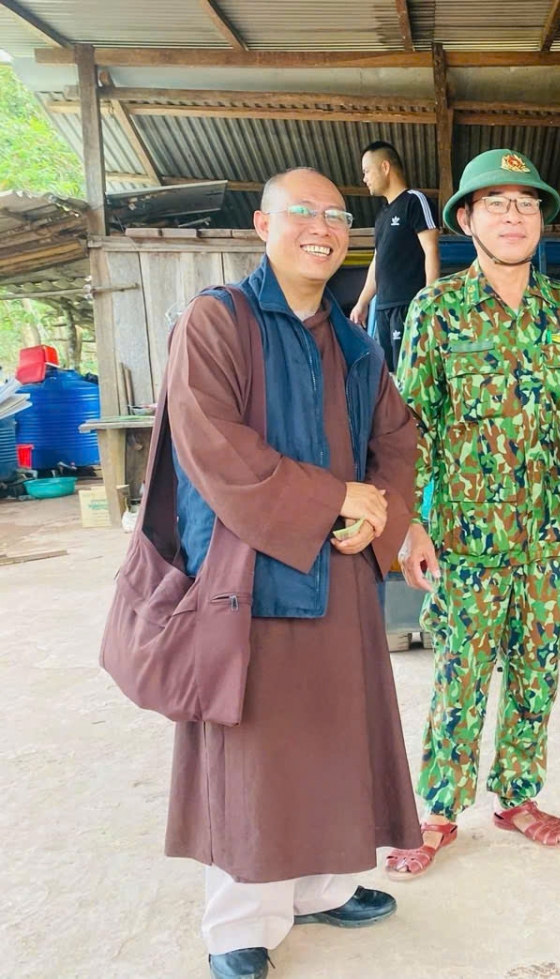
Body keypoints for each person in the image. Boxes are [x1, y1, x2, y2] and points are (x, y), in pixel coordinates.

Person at [162, 167, 423, 979]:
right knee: (254, 753)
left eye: (336, 215)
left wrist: (379, 512)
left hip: (338, 573)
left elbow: (398, 438)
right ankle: (240, 923)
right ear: (262, 224)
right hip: (248, 575)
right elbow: (214, 445)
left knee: (334, 734)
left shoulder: (355, 343)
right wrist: (333, 497)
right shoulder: (219, 320)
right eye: (302, 211)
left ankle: (321, 886)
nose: (321, 226)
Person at [387, 149, 560, 879]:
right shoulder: (436, 310)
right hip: (467, 536)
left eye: (526, 203)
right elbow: (408, 428)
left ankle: (518, 797)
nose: (514, 216)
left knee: (538, 670)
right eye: (497, 204)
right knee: (460, 674)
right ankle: (439, 811)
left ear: (541, 220)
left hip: (551, 535)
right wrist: (410, 523)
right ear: (468, 220)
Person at [351, 140, 439, 374]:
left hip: (408, 306)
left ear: (385, 167)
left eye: (367, 171)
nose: (364, 178)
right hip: (383, 307)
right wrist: (362, 302)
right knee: (389, 374)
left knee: (410, 373)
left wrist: (428, 301)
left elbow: (431, 250)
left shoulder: (415, 201)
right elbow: (377, 261)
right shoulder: (382, 215)